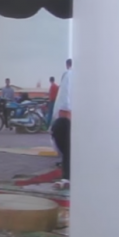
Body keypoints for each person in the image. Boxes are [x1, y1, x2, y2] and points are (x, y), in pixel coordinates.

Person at [51, 59, 72, 190]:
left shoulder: (69, 75)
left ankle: (68, 176)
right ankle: (67, 176)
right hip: (66, 121)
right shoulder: (70, 75)